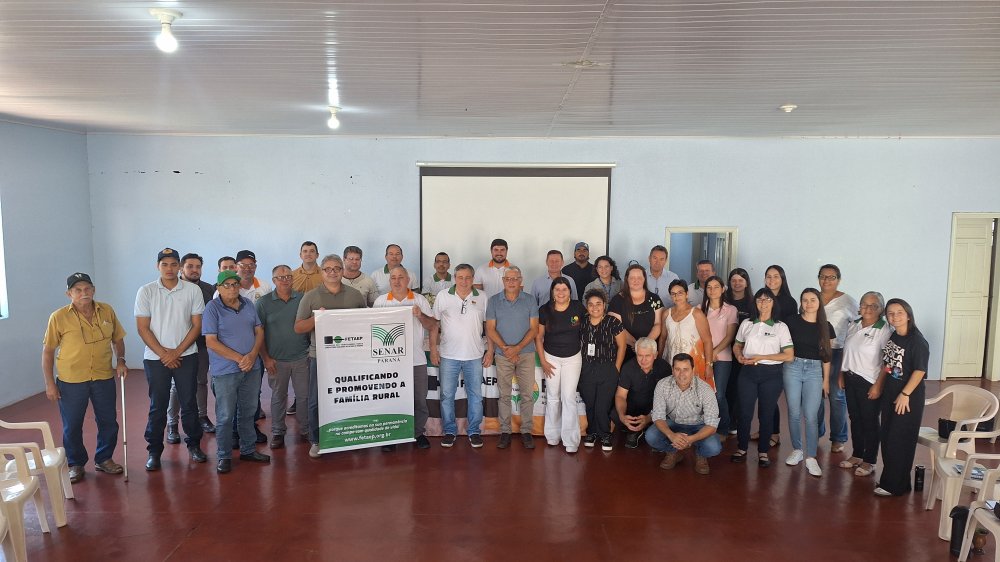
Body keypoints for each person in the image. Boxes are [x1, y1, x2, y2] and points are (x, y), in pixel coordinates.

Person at [42, 272, 128, 483]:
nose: (84, 293)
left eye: (87, 288)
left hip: (103, 376)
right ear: (69, 294)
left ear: (93, 290)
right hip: (71, 380)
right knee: (72, 425)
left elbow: (118, 339)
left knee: (108, 421)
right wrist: (50, 383)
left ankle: (104, 459)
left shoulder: (107, 311)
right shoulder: (58, 317)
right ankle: (75, 463)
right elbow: (48, 352)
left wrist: (121, 360)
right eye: (78, 290)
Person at [134, 248, 207, 471]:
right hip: (155, 359)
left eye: (174, 264)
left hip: (187, 355)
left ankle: (194, 445)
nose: (169, 268)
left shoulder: (193, 290)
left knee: (189, 403)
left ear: (179, 267)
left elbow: (197, 325)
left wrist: (176, 352)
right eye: (164, 264)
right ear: (157, 266)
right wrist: (165, 354)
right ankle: (154, 451)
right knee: (158, 405)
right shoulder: (146, 291)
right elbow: (143, 328)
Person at [293, 254, 368, 458]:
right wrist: (317, 318)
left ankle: (351, 435)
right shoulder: (310, 296)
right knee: (316, 400)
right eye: (328, 269)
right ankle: (317, 440)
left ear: (342, 271)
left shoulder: (355, 295)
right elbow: (298, 327)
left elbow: (364, 323)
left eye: (337, 268)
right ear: (322, 272)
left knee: (350, 396)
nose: (332, 272)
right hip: (320, 357)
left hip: (350, 356)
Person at [203, 270, 270, 473]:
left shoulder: (248, 304)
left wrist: (253, 355)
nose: (232, 288)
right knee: (225, 415)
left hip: (252, 368)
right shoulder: (212, 308)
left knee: (248, 412)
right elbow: (211, 341)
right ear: (219, 288)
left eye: (235, 284)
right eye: (227, 285)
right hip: (225, 371)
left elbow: (259, 330)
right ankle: (224, 456)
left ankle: (248, 450)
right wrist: (241, 359)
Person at [373, 265, 438, 451]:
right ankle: (391, 435)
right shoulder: (381, 301)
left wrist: (420, 315)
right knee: (390, 399)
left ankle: (418, 433)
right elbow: (372, 328)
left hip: (415, 359)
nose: (397, 281)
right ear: (389, 281)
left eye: (401, 277)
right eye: (393, 278)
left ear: (408, 280)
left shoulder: (419, 300)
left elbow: (432, 325)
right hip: (389, 361)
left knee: (419, 399)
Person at [431, 263, 493, 449]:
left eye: (467, 277)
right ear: (455, 278)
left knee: (476, 396)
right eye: (460, 277)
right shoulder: (443, 296)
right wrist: (433, 349)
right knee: (446, 395)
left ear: (473, 279)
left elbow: (489, 327)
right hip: (448, 355)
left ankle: (474, 431)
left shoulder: (482, 297)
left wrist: (490, 350)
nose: (464, 281)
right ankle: (450, 431)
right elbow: (434, 325)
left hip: (474, 355)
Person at [731, 288, 793, 468]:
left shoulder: (780, 327)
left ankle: (763, 451)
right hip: (748, 372)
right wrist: (739, 356)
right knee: (744, 412)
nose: (763, 303)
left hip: (771, 374)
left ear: (773, 303)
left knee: (766, 413)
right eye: (759, 300)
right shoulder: (747, 323)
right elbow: (737, 345)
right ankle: (742, 448)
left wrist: (762, 357)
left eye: (767, 300)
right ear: (755, 303)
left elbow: (789, 355)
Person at [874, 298, 929, 497]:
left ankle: (893, 486)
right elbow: (888, 364)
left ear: (908, 315)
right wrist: (880, 386)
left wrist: (905, 394)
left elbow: (920, 371)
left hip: (907, 397)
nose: (895, 316)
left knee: (899, 439)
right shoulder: (894, 336)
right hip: (891, 393)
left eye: (899, 312)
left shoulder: (917, 341)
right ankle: (899, 481)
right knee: (888, 437)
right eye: (890, 313)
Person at [256, 265, 311, 449]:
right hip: (276, 360)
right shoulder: (263, 303)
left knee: (303, 396)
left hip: (301, 358)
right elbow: (258, 333)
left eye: (288, 276)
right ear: (274, 280)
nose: (285, 280)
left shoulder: (302, 299)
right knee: (279, 397)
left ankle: (305, 429)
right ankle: (278, 431)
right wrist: (266, 358)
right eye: (281, 277)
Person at [782, 288, 835, 478]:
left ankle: (811, 456)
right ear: (801, 302)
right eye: (805, 300)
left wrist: (826, 380)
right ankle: (797, 450)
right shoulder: (791, 321)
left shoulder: (826, 326)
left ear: (819, 302)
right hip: (792, 367)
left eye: (813, 300)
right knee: (794, 412)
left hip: (815, 370)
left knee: (811, 415)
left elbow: (827, 356)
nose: (809, 303)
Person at [485, 266, 539, 450]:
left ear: (521, 280)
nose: (511, 282)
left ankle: (526, 431)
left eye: (515, 278)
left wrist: (517, 349)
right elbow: (490, 329)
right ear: (503, 281)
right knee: (504, 395)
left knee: (527, 395)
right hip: (503, 355)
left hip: (526, 354)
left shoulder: (530, 300)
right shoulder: (493, 301)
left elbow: (534, 329)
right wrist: (505, 349)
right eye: (508, 279)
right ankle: (505, 431)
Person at [840, 291, 892, 478]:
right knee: (855, 418)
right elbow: (847, 351)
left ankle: (869, 460)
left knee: (870, 421)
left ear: (881, 309)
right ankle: (857, 454)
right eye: (864, 304)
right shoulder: (854, 324)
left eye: (873, 305)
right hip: (850, 377)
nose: (868, 309)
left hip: (869, 381)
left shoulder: (884, 330)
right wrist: (841, 373)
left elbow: (888, 362)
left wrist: (878, 385)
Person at [165, 253, 215, 444]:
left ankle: (202, 416)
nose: (194, 270)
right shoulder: (174, 288)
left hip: (201, 345)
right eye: (190, 266)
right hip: (179, 346)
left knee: (201, 382)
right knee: (177, 386)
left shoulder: (209, 289)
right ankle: (172, 423)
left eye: (198, 266)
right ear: (181, 268)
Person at [645, 353, 723, 474]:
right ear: (672, 370)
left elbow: (712, 425)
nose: (681, 374)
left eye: (686, 369)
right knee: (651, 436)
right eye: (677, 369)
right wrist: (671, 435)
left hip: (698, 426)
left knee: (714, 447)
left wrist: (690, 440)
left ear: (693, 370)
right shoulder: (662, 385)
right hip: (672, 423)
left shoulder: (705, 389)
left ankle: (700, 455)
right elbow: (658, 416)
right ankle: (673, 452)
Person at [536, 277, 586, 453]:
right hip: (551, 358)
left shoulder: (578, 307)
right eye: (557, 289)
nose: (561, 293)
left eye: (564, 289)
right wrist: (543, 361)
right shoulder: (544, 310)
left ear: (570, 291)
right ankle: (552, 435)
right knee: (552, 397)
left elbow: (587, 329)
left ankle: (571, 440)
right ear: (552, 292)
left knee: (568, 397)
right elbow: (539, 337)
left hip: (573, 358)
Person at [578, 287, 626, 451]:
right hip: (586, 368)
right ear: (586, 306)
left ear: (604, 305)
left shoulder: (613, 322)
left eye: (598, 303)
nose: (595, 307)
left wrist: (616, 368)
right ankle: (591, 433)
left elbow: (622, 346)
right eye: (591, 304)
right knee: (590, 403)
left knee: (602, 405)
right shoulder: (582, 322)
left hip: (608, 368)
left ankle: (605, 434)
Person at [817, 264, 859, 454]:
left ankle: (838, 437)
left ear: (839, 280)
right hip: (815, 353)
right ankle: (816, 431)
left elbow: (857, 327)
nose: (826, 280)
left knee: (836, 395)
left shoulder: (848, 301)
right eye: (823, 276)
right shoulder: (812, 297)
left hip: (837, 353)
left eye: (831, 277)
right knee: (815, 395)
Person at [613, 337, 671, 448]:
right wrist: (622, 416)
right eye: (640, 355)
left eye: (647, 356)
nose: (643, 360)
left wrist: (649, 417)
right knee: (615, 413)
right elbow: (620, 396)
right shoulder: (628, 367)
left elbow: (668, 399)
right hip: (634, 409)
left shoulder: (664, 368)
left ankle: (647, 427)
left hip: (655, 410)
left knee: (670, 413)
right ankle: (634, 428)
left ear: (655, 355)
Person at [659, 279, 714, 389]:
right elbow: (663, 338)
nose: (677, 296)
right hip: (672, 360)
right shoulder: (666, 314)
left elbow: (707, 340)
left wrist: (709, 364)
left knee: (696, 393)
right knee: (673, 392)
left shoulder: (696, 313)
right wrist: (659, 360)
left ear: (687, 294)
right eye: (673, 294)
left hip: (694, 360)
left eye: (680, 293)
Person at [702, 275, 738, 436]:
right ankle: (705, 426)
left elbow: (730, 336)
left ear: (723, 289)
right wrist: (707, 355)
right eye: (709, 287)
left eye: (716, 287)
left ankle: (723, 427)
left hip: (722, 358)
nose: (713, 290)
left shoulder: (730, 310)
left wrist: (714, 352)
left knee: (719, 394)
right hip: (703, 357)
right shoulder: (700, 309)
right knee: (703, 394)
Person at [608, 264, 664, 362]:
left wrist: (645, 344)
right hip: (626, 350)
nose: (636, 280)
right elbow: (616, 327)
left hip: (649, 350)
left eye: (639, 278)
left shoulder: (654, 299)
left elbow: (658, 324)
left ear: (644, 279)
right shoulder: (617, 300)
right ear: (627, 279)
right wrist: (635, 344)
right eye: (632, 278)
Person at [723, 267, 754, 432]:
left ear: (746, 283)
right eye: (733, 280)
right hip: (724, 350)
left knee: (739, 388)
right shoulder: (723, 300)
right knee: (725, 387)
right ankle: (724, 420)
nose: (737, 283)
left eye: (740, 280)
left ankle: (735, 422)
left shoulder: (753, 303)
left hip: (743, 353)